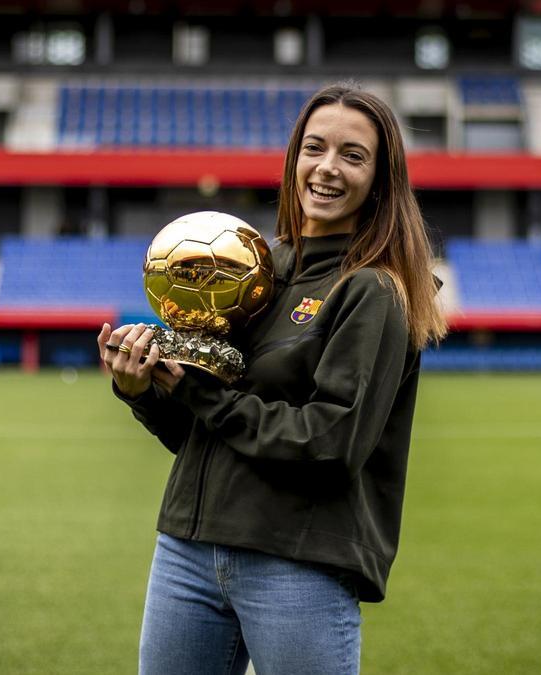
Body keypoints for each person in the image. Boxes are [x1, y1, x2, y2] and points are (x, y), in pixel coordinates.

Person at [97, 83, 447, 675]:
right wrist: (144, 392)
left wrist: (197, 389)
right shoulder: (255, 268)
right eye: (315, 148)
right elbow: (203, 434)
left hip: (296, 562)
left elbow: (330, 441)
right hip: (187, 550)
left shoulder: (372, 290)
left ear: (382, 178)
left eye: (352, 155)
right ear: (294, 158)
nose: (327, 168)